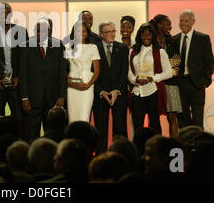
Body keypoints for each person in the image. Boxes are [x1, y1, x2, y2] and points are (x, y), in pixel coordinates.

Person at [0, 3, 28, 131]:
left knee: (19, 119)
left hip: (16, 84)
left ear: (11, 15)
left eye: (8, 13)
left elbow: (24, 59)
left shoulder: (21, 32)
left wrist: (18, 78)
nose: (5, 15)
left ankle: (19, 146)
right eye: (2, 13)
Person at [19, 19, 67, 142]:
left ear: (49, 31)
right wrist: (24, 97)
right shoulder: (25, 46)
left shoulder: (59, 45)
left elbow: (62, 73)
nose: (40, 34)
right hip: (32, 98)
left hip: (53, 98)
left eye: (44, 31)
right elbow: (22, 74)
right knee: (31, 134)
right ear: (35, 31)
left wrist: (62, 95)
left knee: (52, 134)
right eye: (38, 31)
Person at [128, 23, 172, 134]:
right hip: (137, 92)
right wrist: (135, 80)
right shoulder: (132, 52)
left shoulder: (160, 52)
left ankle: (156, 148)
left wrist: (152, 78)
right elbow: (128, 71)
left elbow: (168, 73)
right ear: (139, 36)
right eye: (143, 34)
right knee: (137, 124)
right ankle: (139, 149)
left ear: (153, 36)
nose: (146, 37)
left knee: (155, 123)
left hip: (153, 90)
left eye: (149, 34)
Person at [173, 10, 214, 129]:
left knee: (197, 119)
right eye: (181, 21)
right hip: (180, 84)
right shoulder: (174, 39)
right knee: (182, 119)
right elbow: (172, 61)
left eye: (186, 21)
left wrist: (206, 81)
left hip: (197, 84)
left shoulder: (203, 38)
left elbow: (209, 61)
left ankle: (197, 146)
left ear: (193, 22)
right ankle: (184, 145)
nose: (183, 23)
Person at [93, 21, 129, 153]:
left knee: (120, 129)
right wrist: (101, 91)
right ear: (101, 34)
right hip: (100, 95)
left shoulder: (123, 48)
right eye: (108, 32)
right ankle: (100, 159)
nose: (112, 34)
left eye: (113, 31)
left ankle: (122, 157)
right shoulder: (94, 48)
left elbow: (124, 72)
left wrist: (117, 90)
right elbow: (92, 73)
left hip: (118, 95)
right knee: (100, 130)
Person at [150, 15, 182, 137]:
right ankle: (155, 147)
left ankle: (174, 149)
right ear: (159, 25)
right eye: (167, 24)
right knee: (154, 118)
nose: (170, 27)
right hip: (154, 84)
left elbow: (177, 60)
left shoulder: (172, 41)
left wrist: (170, 69)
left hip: (171, 83)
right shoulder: (151, 41)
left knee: (173, 117)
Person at [65, 21, 100, 124]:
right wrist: (71, 84)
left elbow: (97, 71)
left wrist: (88, 85)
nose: (81, 34)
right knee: (72, 119)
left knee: (84, 118)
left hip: (87, 86)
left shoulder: (92, 47)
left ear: (87, 33)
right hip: (71, 87)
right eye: (78, 31)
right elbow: (63, 69)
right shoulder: (67, 47)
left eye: (84, 31)